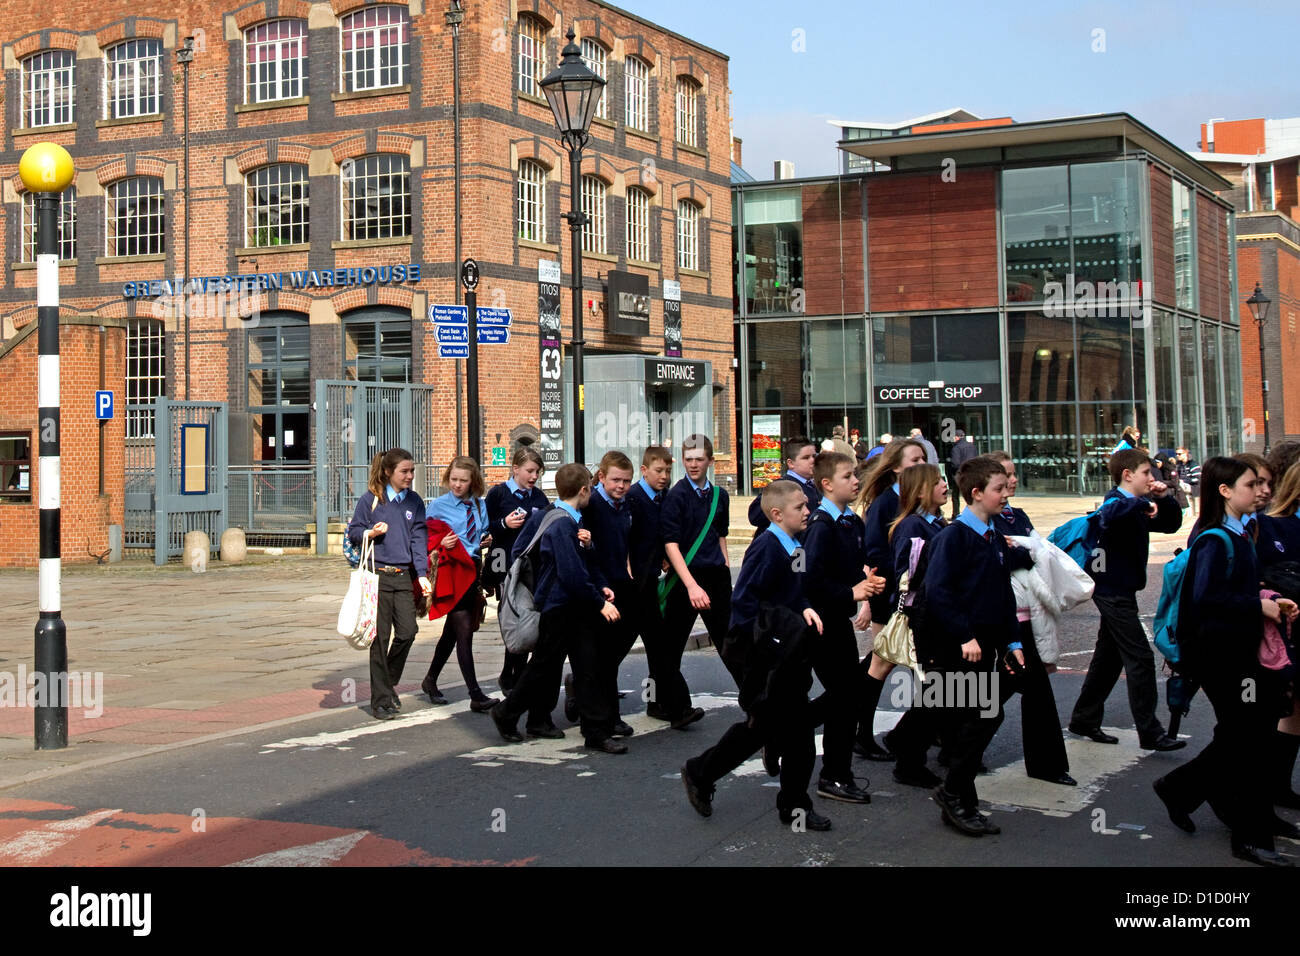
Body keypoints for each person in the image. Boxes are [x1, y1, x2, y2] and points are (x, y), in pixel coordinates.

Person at [1152, 457, 1299, 867]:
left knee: (1244, 737)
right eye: (1252, 485)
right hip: (1220, 659)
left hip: (1238, 654)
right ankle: (1249, 837)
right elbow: (1206, 599)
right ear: (1225, 491)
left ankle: (1183, 789)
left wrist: (1267, 598)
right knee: (1248, 742)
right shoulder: (1217, 540)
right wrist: (1258, 605)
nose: (1261, 492)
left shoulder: (1241, 533)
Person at [680, 479, 829, 830]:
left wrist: (804, 608)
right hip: (768, 658)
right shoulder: (767, 548)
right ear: (777, 514)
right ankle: (794, 807)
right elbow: (745, 605)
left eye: (807, 505)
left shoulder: (795, 545)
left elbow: (796, 591)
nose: (808, 512)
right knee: (792, 736)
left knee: (766, 729)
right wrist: (771, 648)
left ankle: (703, 772)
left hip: (787, 654)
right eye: (800, 508)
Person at [911, 456, 1029, 836]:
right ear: (976, 494)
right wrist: (965, 636)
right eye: (998, 488)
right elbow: (938, 592)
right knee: (979, 717)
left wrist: (1012, 640)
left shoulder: (993, 535)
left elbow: (1002, 595)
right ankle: (956, 795)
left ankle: (957, 794)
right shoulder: (954, 537)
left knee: (978, 717)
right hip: (955, 648)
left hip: (984, 646)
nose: (1006, 492)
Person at [491, 463, 620, 744]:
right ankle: (508, 712)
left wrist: (587, 551)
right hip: (562, 607)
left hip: (563, 605)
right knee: (547, 666)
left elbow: (519, 550)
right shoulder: (563, 524)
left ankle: (591, 730)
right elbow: (572, 573)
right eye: (590, 489)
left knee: (577, 666)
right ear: (584, 490)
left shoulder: (555, 516)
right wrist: (600, 602)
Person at [1068, 448, 1185, 751]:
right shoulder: (1116, 502)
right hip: (1110, 591)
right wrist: (1143, 502)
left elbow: (1171, 523)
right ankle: (1150, 732)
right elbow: (1111, 514)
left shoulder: (1137, 506)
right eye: (1146, 473)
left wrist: (1162, 499)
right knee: (1141, 659)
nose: (1152, 478)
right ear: (1127, 475)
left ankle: (1084, 717)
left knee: (1109, 658)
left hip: (1123, 589)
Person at [983, 451, 1075, 785]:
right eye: (1005, 475)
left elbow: (1034, 551)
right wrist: (1022, 552)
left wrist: (1022, 551)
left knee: (999, 687)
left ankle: (933, 738)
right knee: (1031, 686)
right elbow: (1010, 555)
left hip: (1026, 613)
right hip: (1004, 616)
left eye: (1013, 473)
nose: (1012, 481)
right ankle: (1046, 765)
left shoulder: (1017, 514)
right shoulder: (984, 521)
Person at [802, 451, 885, 804]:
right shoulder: (821, 525)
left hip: (838, 621)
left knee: (845, 697)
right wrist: (851, 592)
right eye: (848, 476)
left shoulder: (850, 521)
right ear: (826, 484)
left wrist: (865, 586)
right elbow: (809, 580)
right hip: (822, 625)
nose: (856, 481)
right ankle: (832, 775)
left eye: (855, 475)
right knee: (845, 698)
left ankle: (832, 768)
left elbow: (853, 566)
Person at [876, 463, 952, 787]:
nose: (945, 486)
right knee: (940, 690)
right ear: (921, 491)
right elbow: (909, 574)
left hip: (938, 616)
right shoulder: (912, 526)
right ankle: (908, 757)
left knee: (942, 690)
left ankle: (907, 741)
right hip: (923, 617)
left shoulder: (937, 522)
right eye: (938, 482)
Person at [345, 448, 432, 721]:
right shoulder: (371, 500)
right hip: (377, 576)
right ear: (388, 472)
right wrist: (370, 532)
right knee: (380, 639)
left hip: (403, 576)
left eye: (412, 471)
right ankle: (380, 700)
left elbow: (419, 539)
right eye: (404, 471)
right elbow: (355, 531)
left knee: (408, 631)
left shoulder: (415, 502)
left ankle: (387, 682)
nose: (410, 476)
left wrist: (421, 573)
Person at [854, 438, 927, 761]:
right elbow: (875, 551)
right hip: (892, 595)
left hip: (918, 597)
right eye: (914, 459)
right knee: (881, 663)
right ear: (896, 467)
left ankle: (924, 729)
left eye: (924, 458)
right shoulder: (886, 502)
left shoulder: (921, 501)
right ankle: (862, 734)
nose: (921, 464)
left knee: (918, 662)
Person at [659, 434, 731, 726]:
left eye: (699, 459)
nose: (693, 465)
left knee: (730, 642)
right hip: (685, 577)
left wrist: (725, 565)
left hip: (715, 575)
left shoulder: (720, 496)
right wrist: (690, 585)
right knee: (670, 647)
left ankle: (756, 702)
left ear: (710, 462)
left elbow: (720, 534)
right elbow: (671, 543)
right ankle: (677, 708)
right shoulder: (676, 496)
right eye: (688, 459)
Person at [574, 451, 638, 750]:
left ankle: (607, 714)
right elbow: (586, 548)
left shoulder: (623, 505)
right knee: (602, 656)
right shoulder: (593, 506)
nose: (622, 486)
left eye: (626, 481)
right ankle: (605, 718)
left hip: (620, 583)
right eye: (615, 480)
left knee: (614, 651)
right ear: (601, 477)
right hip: (599, 588)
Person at [421, 457, 497, 712]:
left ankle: (430, 680)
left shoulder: (478, 505)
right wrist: (441, 544)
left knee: (452, 633)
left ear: (473, 481)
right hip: (452, 572)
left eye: (463, 481)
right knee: (464, 630)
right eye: (454, 479)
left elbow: (482, 531)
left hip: (472, 569)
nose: (457, 485)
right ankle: (475, 693)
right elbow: (422, 537)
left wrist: (486, 539)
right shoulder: (437, 506)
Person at [485, 448, 549, 693]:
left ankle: (510, 675)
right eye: (529, 471)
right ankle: (512, 676)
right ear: (515, 469)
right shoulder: (499, 494)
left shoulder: (539, 498)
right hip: (504, 567)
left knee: (525, 621)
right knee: (516, 619)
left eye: (537, 472)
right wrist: (504, 524)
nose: (534, 476)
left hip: (530, 569)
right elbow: (485, 526)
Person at [626, 446, 675, 720]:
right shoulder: (633, 498)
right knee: (620, 646)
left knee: (657, 647)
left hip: (651, 584)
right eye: (659, 471)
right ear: (644, 470)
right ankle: (583, 685)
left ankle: (657, 702)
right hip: (634, 585)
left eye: (667, 471)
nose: (664, 476)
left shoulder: (664, 496)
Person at [1262, 462, 1300, 810]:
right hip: (1288, 632)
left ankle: (1278, 787)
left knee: (1294, 714)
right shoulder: (1275, 527)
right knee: (1288, 711)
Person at [748, 437, 819, 531]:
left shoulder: (817, 486)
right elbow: (755, 516)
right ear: (791, 463)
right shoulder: (780, 486)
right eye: (806, 458)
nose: (812, 461)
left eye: (814, 456)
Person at [946, 431, 978, 519]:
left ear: (957, 437)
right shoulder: (972, 446)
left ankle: (955, 514)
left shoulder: (956, 448)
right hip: (972, 473)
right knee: (972, 495)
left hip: (960, 475)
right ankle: (974, 514)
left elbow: (955, 463)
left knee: (955, 495)